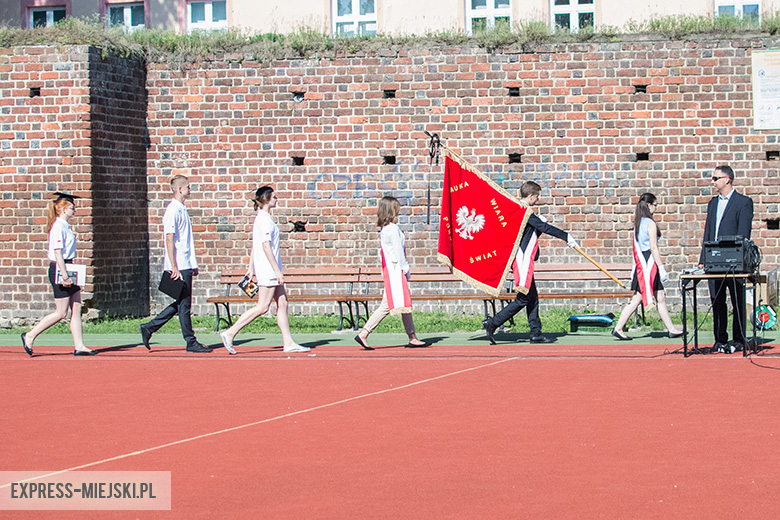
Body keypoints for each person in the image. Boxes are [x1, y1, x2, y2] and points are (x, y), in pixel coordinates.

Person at [482, 181, 578, 345]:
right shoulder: (524, 211)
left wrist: (539, 222)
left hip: (521, 259)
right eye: (537, 196)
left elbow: (533, 229)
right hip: (522, 260)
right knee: (523, 299)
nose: (538, 200)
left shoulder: (518, 210)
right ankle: (492, 323)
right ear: (531, 195)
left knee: (532, 298)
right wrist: (566, 236)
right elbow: (545, 228)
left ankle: (536, 333)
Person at [219, 186, 309, 354]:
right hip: (269, 270)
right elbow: (265, 246)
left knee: (283, 303)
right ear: (267, 199)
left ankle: (288, 342)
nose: (277, 199)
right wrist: (276, 271)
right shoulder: (264, 220)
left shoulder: (263, 218)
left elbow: (256, 245)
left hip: (269, 268)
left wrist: (251, 267)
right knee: (263, 307)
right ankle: (230, 332)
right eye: (274, 196)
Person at [140, 175, 211, 353]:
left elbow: (186, 240)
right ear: (180, 189)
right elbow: (169, 238)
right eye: (188, 187)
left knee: (181, 303)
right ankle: (190, 341)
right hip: (179, 264)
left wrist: (192, 262)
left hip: (185, 262)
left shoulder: (182, 209)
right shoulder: (172, 210)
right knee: (184, 304)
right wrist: (173, 266)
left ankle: (149, 327)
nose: (190, 189)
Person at [21, 192, 95, 356]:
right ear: (62, 209)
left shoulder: (65, 225)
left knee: (76, 307)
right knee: (61, 312)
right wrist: (64, 275)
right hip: (61, 269)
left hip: (69, 267)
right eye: (71, 207)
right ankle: (30, 335)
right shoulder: (57, 226)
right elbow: (57, 253)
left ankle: (79, 345)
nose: (74, 210)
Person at [354, 196, 429, 350]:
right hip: (396, 270)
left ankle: (412, 336)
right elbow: (397, 252)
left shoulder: (386, 229)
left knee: (401, 304)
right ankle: (364, 333)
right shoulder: (393, 229)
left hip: (391, 269)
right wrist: (405, 268)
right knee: (388, 304)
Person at [612, 193, 684, 340]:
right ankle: (618, 328)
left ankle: (671, 328)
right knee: (637, 299)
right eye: (655, 205)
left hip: (641, 264)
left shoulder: (638, 223)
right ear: (649, 205)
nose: (656, 208)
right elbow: (653, 248)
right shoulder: (650, 224)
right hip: (648, 266)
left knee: (660, 296)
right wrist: (661, 267)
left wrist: (634, 267)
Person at [699, 165, 754, 353]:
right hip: (714, 263)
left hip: (735, 263)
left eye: (715, 178)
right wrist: (703, 258)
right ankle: (720, 339)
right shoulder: (712, 203)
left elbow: (743, 234)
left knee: (737, 301)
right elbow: (708, 232)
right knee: (717, 301)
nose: (712, 182)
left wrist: (738, 258)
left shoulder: (743, 202)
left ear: (727, 179)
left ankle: (739, 339)